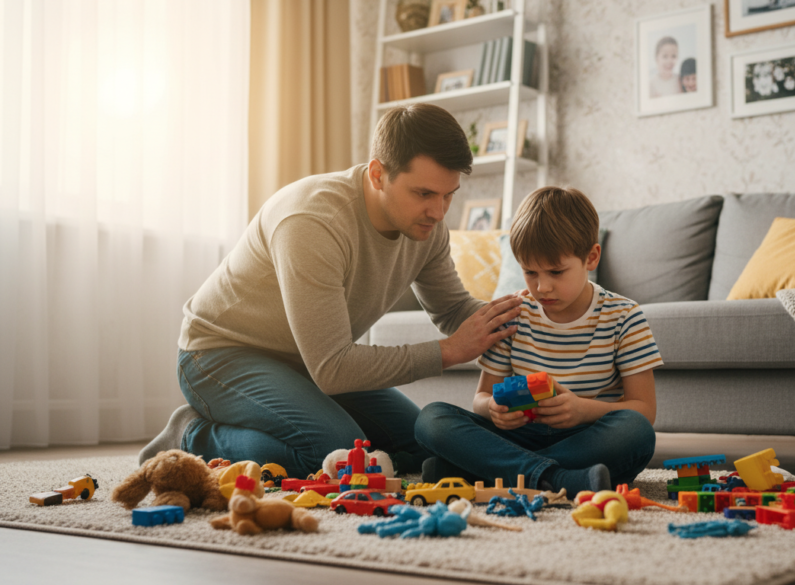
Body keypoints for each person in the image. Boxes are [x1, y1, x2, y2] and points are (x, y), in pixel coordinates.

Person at [138, 104, 523, 477]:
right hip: (220, 355)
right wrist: (448, 352)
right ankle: (192, 435)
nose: (439, 213)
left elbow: (453, 309)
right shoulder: (312, 221)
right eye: (424, 194)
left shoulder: (427, 226)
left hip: (307, 362)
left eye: (448, 195)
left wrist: (527, 318)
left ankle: (274, 416)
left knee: (429, 439)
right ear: (377, 174)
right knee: (335, 450)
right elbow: (332, 369)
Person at [414, 187, 661, 497]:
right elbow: (481, 398)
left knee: (635, 433)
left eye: (557, 271)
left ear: (591, 258)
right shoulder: (513, 314)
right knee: (431, 419)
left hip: (586, 435)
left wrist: (581, 410)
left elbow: (643, 410)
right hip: (517, 436)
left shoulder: (625, 316)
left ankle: (489, 472)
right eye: (530, 272)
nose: (542, 286)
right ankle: (558, 479)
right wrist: (493, 408)